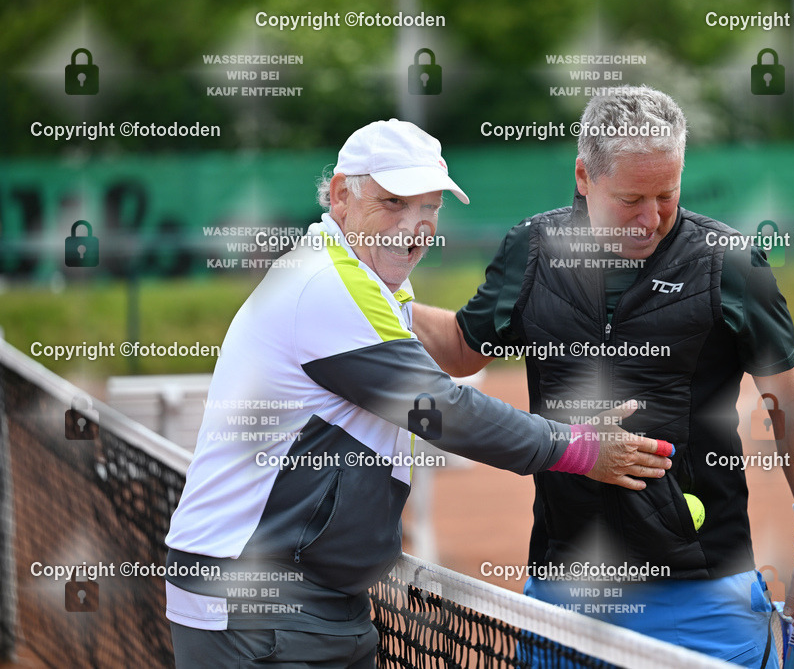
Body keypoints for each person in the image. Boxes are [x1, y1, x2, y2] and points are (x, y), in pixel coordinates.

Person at [163, 119, 673, 668]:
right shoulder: (323, 288)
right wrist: (581, 449)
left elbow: (448, 355)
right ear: (340, 195)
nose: (415, 225)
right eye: (393, 202)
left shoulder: (360, 278)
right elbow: (441, 410)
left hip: (313, 597)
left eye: (430, 207)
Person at [412, 87, 794, 668]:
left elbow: (790, 402)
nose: (651, 218)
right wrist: (373, 297)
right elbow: (463, 348)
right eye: (631, 198)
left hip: (704, 588)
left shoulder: (731, 264)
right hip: (567, 586)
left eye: (668, 194)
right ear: (584, 176)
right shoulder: (534, 251)